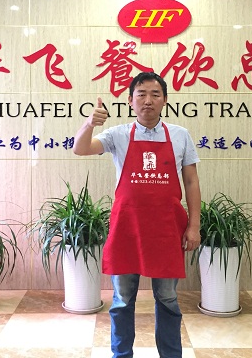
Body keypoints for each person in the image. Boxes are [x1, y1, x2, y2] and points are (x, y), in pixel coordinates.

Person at [73, 72, 201, 358]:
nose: (148, 101)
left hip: (166, 230)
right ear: (130, 101)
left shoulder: (180, 135)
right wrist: (89, 123)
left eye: (155, 94)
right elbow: (80, 149)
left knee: (167, 298)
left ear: (165, 100)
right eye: (141, 94)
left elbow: (191, 182)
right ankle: (122, 355)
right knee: (121, 300)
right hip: (127, 229)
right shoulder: (118, 134)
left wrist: (194, 226)